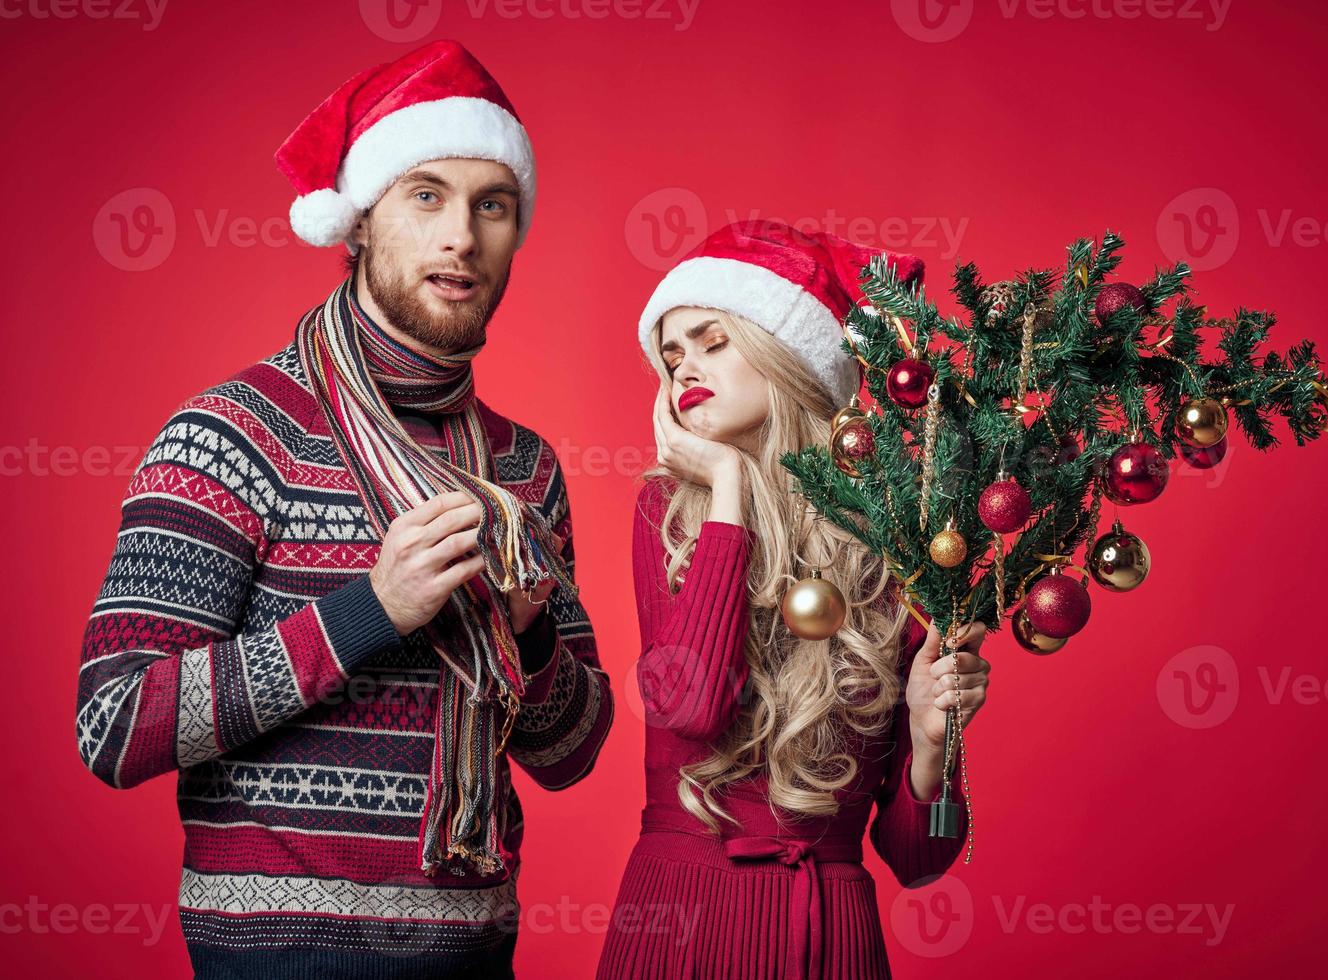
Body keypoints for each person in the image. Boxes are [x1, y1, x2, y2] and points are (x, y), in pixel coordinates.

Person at [76, 40, 613, 979]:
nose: (462, 237)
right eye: (427, 196)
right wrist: (373, 610)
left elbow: (573, 754)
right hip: (278, 955)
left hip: (476, 948)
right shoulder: (234, 433)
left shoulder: (524, 468)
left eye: (492, 205)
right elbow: (115, 725)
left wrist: (524, 634)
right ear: (359, 224)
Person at [596, 221, 990, 979]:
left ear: (789, 354)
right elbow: (690, 705)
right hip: (680, 924)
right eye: (671, 355)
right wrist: (730, 492)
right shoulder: (670, 515)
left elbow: (921, 857)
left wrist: (932, 745)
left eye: (712, 341)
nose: (683, 370)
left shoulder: (904, 545)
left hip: (829, 935)